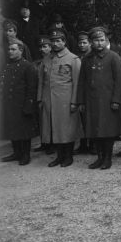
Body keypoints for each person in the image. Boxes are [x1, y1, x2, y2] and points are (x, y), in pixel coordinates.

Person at [77, 27, 121, 170]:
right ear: (91, 42)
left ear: (106, 41)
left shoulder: (113, 57)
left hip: (107, 101)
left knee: (107, 131)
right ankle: (99, 158)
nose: (99, 43)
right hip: (91, 101)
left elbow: (120, 80)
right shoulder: (87, 59)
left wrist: (116, 100)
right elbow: (82, 81)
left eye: (102, 40)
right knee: (94, 130)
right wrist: (81, 101)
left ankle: (107, 159)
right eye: (96, 40)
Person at [37, 29, 83, 168]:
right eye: (53, 41)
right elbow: (41, 81)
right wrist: (40, 98)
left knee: (66, 129)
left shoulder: (73, 59)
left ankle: (68, 156)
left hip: (65, 100)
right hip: (49, 100)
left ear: (64, 42)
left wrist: (75, 101)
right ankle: (59, 156)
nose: (55, 43)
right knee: (53, 128)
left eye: (58, 41)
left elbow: (77, 83)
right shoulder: (46, 59)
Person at [0, 39, 38, 165]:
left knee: (24, 131)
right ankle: (16, 153)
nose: (10, 52)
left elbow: (32, 88)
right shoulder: (7, 65)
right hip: (10, 103)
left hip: (22, 104)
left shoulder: (28, 66)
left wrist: (29, 105)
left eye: (13, 49)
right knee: (12, 129)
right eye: (9, 49)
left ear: (21, 50)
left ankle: (25, 155)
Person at [33, 35, 54, 154]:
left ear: (50, 48)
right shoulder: (37, 62)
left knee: (50, 120)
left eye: (45, 46)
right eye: (41, 47)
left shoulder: (53, 60)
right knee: (42, 120)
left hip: (50, 93)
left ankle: (52, 144)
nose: (42, 49)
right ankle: (44, 143)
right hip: (41, 92)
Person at [74, 31, 93, 154]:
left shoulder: (92, 57)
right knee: (81, 119)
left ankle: (93, 145)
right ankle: (83, 145)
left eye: (84, 42)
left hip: (91, 92)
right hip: (80, 90)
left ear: (90, 43)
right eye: (80, 43)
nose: (82, 45)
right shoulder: (76, 57)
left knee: (91, 119)